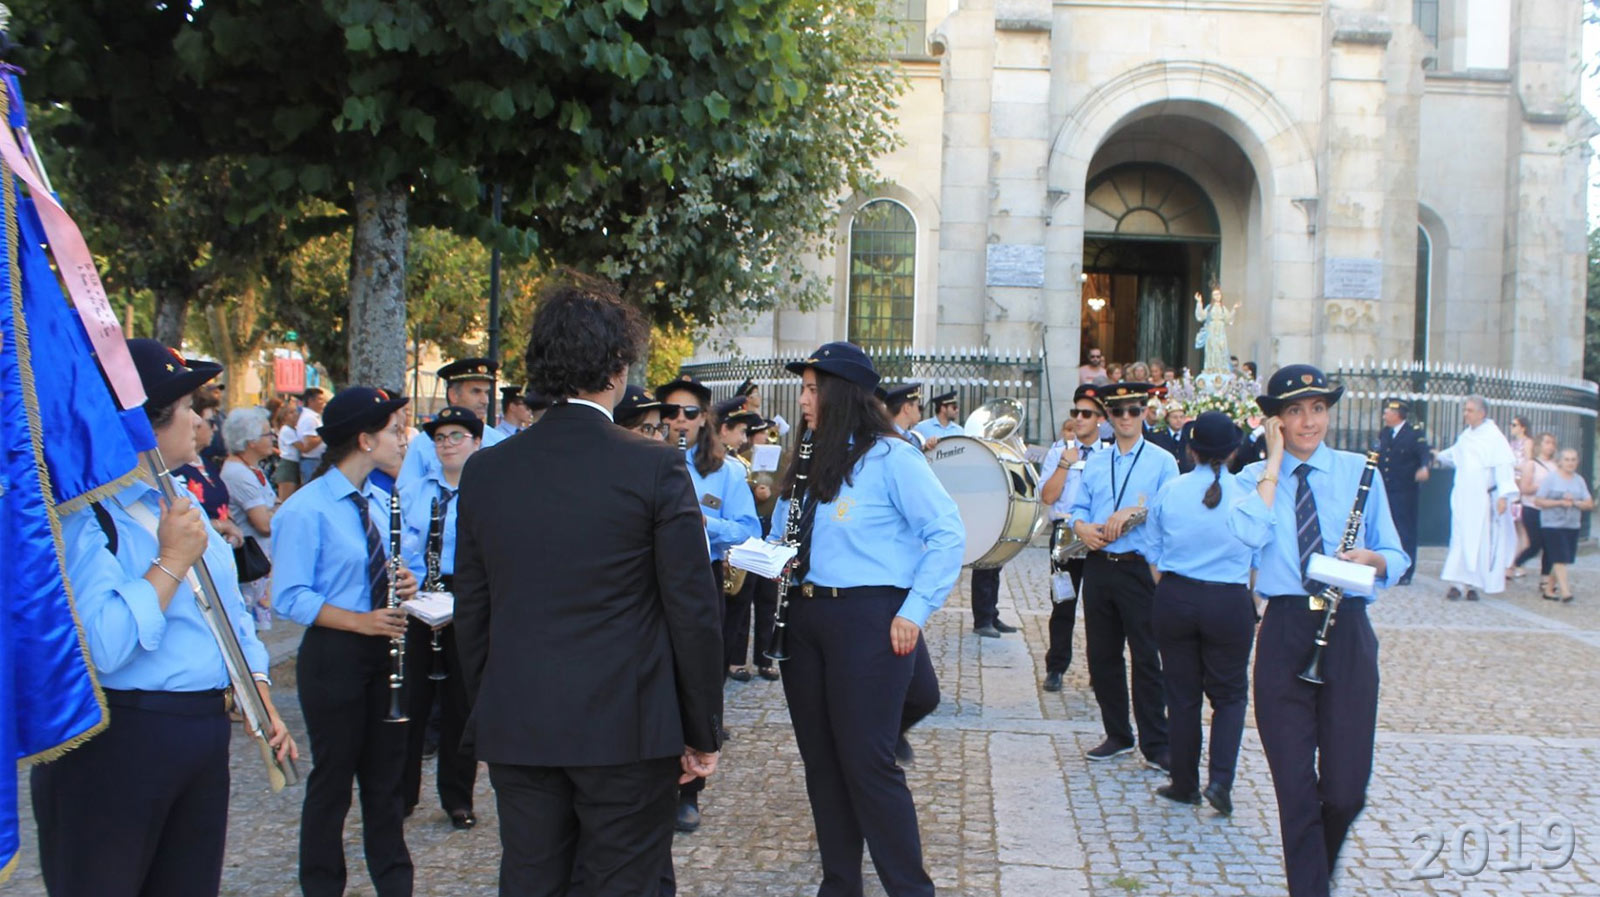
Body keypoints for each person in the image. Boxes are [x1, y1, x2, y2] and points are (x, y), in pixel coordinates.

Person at [452, 280, 723, 897]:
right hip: (626, 725)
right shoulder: (652, 464)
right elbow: (691, 608)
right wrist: (701, 728)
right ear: (618, 369)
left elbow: (474, 607)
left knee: (532, 879)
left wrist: (487, 711)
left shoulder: (488, 469)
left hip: (522, 717)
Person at [31, 340, 297, 897]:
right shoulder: (85, 512)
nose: (200, 420)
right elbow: (103, 644)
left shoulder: (175, 494)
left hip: (198, 734)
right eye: (185, 409)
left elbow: (225, 608)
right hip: (119, 738)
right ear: (144, 424)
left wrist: (259, 691)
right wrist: (169, 561)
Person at [770, 340, 964, 897]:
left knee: (868, 764)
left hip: (868, 620)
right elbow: (782, 537)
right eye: (803, 389)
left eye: (812, 389)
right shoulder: (806, 458)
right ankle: (839, 886)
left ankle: (909, 889)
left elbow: (947, 533)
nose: (804, 400)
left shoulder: (890, 457)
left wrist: (915, 609)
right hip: (805, 619)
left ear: (840, 393)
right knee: (822, 765)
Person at [1228, 364, 1408, 897]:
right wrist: (1274, 464)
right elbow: (1245, 537)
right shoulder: (1252, 478)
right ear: (1276, 421)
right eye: (1294, 411)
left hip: (1347, 628)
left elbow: (1397, 554)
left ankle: (1314, 871)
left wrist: (1373, 558)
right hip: (1284, 629)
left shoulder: (1361, 471)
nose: (1309, 421)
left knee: (1346, 791)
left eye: (1318, 409)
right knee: (1295, 788)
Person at [272, 386, 419, 897]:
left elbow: (382, 566)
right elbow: (288, 597)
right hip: (336, 655)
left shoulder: (379, 500)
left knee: (386, 782)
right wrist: (361, 622)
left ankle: (395, 883)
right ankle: (322, 885)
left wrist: (405, 581)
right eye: (393, 431)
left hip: (384, 652)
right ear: (363, 439)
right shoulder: (306, 509)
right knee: (333, 781)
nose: (403, 439)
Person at [656, 373, 758, 831]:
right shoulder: (647, 461)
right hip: (653, 583)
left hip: (702, 579)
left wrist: (703, 522)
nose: (679, 421)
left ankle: (689, 791)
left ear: (704, 419)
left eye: (689, 413)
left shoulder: (728, 471)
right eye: (671, 413)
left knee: (698, 684)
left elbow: (748, 528)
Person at [1145, 411, 1260, 815]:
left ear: (1190, 448)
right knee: (1229, 696)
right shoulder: (1247, 494)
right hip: (1228, 599)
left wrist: (1171, 587)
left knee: (1182, 696)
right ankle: (1221, 780)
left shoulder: (1171, 490)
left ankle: (1184, 782)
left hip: (1176, 595)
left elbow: (1152, 549)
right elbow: (1258, 554)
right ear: (1232, 451)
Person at [1066, 381, 1177, 768]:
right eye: (1118, 412)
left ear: (1145, 412)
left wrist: (1136, 512)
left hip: (1137, 569)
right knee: (1102, 656)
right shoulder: (1095, 462)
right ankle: (1117, 733)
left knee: (1147, 657)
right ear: (1109, 418)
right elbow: (1076, 507)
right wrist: (1080, 527)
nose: (1126, 418)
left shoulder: (1163, 461)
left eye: (1134, 410)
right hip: (1099, 566)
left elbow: (1171, 513)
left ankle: (1157, 742)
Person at [397, 406, 484, 830]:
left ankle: (458, 797)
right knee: (412, 700)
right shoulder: (415, 489)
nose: (446, 444)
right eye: (440, 438)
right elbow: (402, 546)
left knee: (460, 704)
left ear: (476, 443)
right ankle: (403, 793)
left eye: (456, 436)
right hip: (422, 597)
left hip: (466, 596)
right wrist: (412, 587)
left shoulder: (489, 490)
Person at [1038, 385, 1109, 692]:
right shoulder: (1057, 453)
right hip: (1065, 534)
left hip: (1097, 536)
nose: (1079, 419)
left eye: (1087, 414)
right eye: (1075, 413)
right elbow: (1048, 496)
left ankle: (1100, 671)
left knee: (1099, 610)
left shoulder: (1109, 456)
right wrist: (1066, 462)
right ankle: (1056, 666)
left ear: (1100, 420)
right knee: (1063, 604)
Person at [1436, 396, 1518, 601]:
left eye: (1470, 410)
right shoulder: (1466, 436)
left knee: (1479, 541)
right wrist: (1437, 455)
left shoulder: (1494, 437)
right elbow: (1455, 454)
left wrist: (1504, 497)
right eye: (1465, 410)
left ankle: (1472, 584)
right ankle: (1456, 583)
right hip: (1463, 496)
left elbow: (1503, 466)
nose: (1466, 414)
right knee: (1459, 539)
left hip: (1481, 499)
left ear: (1481, 413)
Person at [397, 358, 509, 488]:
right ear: (453, 395)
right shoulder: (423, 444)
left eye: (487, 393)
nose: (485, 400)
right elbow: (405, 496)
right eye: (476, 392)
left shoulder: (499, 442)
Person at [220, 406, 280, 625]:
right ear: (250, 441)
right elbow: (263, 523)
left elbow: (270, 506)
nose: (272, 437)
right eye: (267, 434)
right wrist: (278, 512)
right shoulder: (239, 474)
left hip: (262, 560)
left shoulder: (251, 469)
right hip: (251, 562)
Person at [1376, 399, 1430, 585]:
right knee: (1385, 527)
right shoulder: (1385, 433)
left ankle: (1406, 571)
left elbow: (1424, 453)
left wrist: (1424, 467)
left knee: (1405, 530)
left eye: (1387, 412)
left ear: (1398, 414)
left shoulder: (1413, 434)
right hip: (1387, 488)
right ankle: (1386, 566)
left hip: (1405, 490)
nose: (1384, 415)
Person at [1532, 448, 1591, 603]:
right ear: (1560, 461)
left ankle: (1549, 589)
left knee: (1564, 559)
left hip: (1572, 524)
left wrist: (1576, 503)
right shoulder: (1551, 479)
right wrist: (1559, 502)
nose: (1570, 463)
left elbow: (1588, 503)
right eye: (1566, 459)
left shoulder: (1579, 480)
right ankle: (1565, 591)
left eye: (1573, 460)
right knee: (1559, 557)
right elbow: (1538, 500)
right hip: (1552, 524)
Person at [1515, 432, 1558, 594]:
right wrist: (1543, 487)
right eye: (1547, 442)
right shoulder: (1532, 464)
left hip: (1549, 509)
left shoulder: (1555, 465)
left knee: (1549, 545)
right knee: (1536, 543)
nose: (1550, 446)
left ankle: (1545, 579)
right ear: (1540, 445)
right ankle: (1516, 562)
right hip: (1532, 507)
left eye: (1552, 443)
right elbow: (1525, 488)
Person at [294, 387, 329, 482]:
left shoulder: (315, 417)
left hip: (317, 461)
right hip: (312, 462)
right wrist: (324, 433)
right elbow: (308, 444)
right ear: (311, 401)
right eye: (320, 399)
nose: (323, 403)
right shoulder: (309, 418)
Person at [274, 395, 304, 500]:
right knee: (286, 499)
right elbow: (302, 447)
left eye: (296, 412)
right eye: (291, 413)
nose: (295, 415)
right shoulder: (286, 430)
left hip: (295, 464)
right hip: (288, 465)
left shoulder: (294, 430)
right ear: (285, 416)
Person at [883, 382, 926, 450]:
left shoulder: (914, 439)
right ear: (907, 408)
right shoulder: (885, 438)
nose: (920, 410)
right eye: (918, 406)